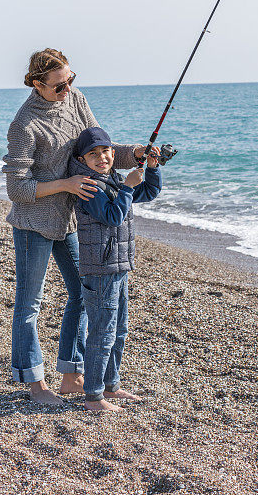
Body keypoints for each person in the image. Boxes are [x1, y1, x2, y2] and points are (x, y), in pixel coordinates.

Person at [2, 48, 148, 405]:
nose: (67, 90)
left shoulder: (76, 100)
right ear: (38, 84)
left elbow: (99, 145)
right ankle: (36, 384)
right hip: (33, 223)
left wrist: (138, 154)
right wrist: (65, 185)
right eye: (58, 86)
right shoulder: (24, 125)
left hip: (70, 220)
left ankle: (71, 375)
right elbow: (17, 188)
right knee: (29, 306)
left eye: (70, 81)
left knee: (83, 295)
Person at [68, 127, 162, 412]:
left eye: (106, 151)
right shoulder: (89, 187)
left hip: (119, 266)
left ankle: (111, 385)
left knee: (119, 330)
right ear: (83, 160)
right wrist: (127, 187)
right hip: (100, 270)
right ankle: (94, 396)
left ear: (113, 153)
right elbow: (112, 216)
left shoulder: (111, 180)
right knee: (102, 333)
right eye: (93, 154)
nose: (102, 158)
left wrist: (153, 169)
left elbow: (150, 192)